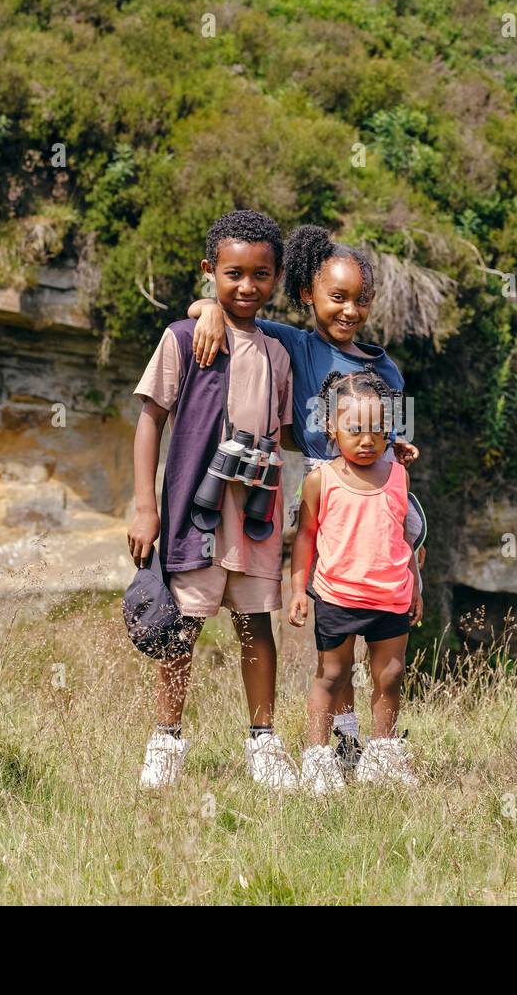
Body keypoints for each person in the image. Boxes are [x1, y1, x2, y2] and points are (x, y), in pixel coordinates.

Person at [186, 225, 425, 772]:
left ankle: (377, 746)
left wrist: (401, 445)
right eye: (337, 297)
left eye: (360, 299)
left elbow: (399, 430)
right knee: (336, 634)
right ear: (307, 297)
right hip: (330, 494)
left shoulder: (385, 367)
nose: (349, 310)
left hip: (382, 493)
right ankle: (341, 742)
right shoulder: (298, 344)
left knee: (397, 591)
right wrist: (208, 309)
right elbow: (233, 309)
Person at [128, 210, 297, 790]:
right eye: (233, 275)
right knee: (181, 626)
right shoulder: (184, 336)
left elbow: (290, 429)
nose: (247, 287)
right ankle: (166, 741)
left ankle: (264, 744)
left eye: (261, 275)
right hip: (193, 514)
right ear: (209, 272)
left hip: (255, 516)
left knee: (257, 624)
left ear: (276, 278)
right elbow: (150, 419)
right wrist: (144, 505)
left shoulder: (278, 352)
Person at [287, 369, 422, 794]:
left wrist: (417, 583)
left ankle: (382, 755)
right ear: (331, 427)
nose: (367, 440)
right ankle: (319, 759)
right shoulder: (320, 479)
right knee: (333, 674)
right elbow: (305, 536)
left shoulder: (398, 474)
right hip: (338, 595)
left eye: (379, 431)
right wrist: (297, 589)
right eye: (355, 430)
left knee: (391, 674)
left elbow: (403, 533)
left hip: (392, 594)